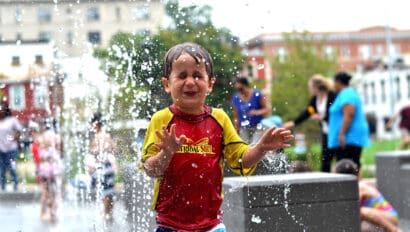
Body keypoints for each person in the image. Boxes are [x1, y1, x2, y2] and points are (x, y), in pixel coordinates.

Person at [141, 42, 293, 232]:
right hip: (170, 224)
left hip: (211, 225)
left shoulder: (219, 119)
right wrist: (166, 152)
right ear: (167, 84)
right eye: (182, 76)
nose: (190, 82)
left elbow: (241, 160)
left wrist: (260, 148)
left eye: (197, 75)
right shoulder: (161, 119)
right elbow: (150, 169)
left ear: (210, 84)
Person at [283, 74, 337, 172]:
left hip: (336, 131)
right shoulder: (314, 99)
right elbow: (308, 112)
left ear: (316, 87)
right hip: (326, 131)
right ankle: (326, 182)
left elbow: (335, 113)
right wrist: (293, 122)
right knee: (325, 158)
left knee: (337, 156)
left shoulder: (331, 96)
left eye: (310, 87)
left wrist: (322, 117)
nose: (309, 90)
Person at [335, 159, 400, 232]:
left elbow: (352, 207)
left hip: (389, 217)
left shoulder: (360, 186)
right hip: (378, 219)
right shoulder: (355, 186)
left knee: (360, 211)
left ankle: (394, 230)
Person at [328, 72, 370, 170]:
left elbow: (349, 113)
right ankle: (353, 184)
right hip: (349, 137)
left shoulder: (347, 94)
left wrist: (342, 133)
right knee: (351, 165)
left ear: (338, 82)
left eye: (334, 82)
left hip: (349, 138)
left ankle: (351, 185)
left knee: (347, 167)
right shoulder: (347, 93)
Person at [85, 112, 118, 223]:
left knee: (105, 192)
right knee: (109, 191)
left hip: (103, 167)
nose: (91, 126)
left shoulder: (100, 135)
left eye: (92, 124)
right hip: (107, 166)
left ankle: (106, 215)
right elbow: (114, 148)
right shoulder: (106, 134)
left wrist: (94, 152)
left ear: (97, 124)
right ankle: (110, 215)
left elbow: (101, 150)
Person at [37, 118, 64, 222]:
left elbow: (39, 153)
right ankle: (53, 213)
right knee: (55, 191)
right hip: (54, 167)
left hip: (44, 167)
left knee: (45, 191)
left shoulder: (41, 137)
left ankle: (43, 213)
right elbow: (61, 153)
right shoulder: (58, 137)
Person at [231, 77, 271, 145]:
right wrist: (236, 129)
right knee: (243, 146)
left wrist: (257, 112)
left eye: (241, 89)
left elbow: (267, 109)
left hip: (257, 126)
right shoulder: (236, 98)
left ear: (245, 86)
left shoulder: (257, 94)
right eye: (238, 90)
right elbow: (236, 116)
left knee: (255, 145)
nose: (241, 92)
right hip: (243, 128)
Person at [0, 100, 22, 192]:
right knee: (2, 169)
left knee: (12, 167)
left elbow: (19, 130)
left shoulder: (12, 120)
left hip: (11, 148)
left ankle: (15, 187)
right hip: (1, 149)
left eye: (2, 108)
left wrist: (14, 138)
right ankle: (3, 188)